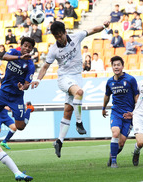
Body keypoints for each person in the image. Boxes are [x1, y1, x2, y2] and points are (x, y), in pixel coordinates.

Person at [31, 20, 110, 158]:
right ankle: (79, 123)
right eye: (56, 37)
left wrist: (103, 26)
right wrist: (38, 79)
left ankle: (59, 141)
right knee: (79, 92)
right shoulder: (53, 50)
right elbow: (45, 67)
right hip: (64, 78)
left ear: (65, 32)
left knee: (68, 111)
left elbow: (93, 29)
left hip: (77, 77)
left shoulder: (76, 36)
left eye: (60, 35)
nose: (59, 38)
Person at [0, 37, 36, 148]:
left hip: (16, 97)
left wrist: (23, 86)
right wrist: (20, 57)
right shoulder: (13, 52)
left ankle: (28, 109)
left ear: (32, 50)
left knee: (20, 126)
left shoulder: (30, 65)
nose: (27, 48)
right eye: (25, 45)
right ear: (21, 46)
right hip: (3, 93)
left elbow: (27, 85)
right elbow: (4, 56)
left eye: (30, 47)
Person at [102, 56, 139, 168]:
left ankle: (112, 155)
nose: (116, 67)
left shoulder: (130, 79)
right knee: (115, 133)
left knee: (121, 142)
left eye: (118, 65)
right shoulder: (110, 82)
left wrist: (136, 111)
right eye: (114, 65)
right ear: (112, 67)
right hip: (116, 112)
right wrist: (103, 108)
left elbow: (136, 96)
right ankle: (114, 161)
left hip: (128, 115)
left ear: (122, 66)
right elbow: (107, 96)